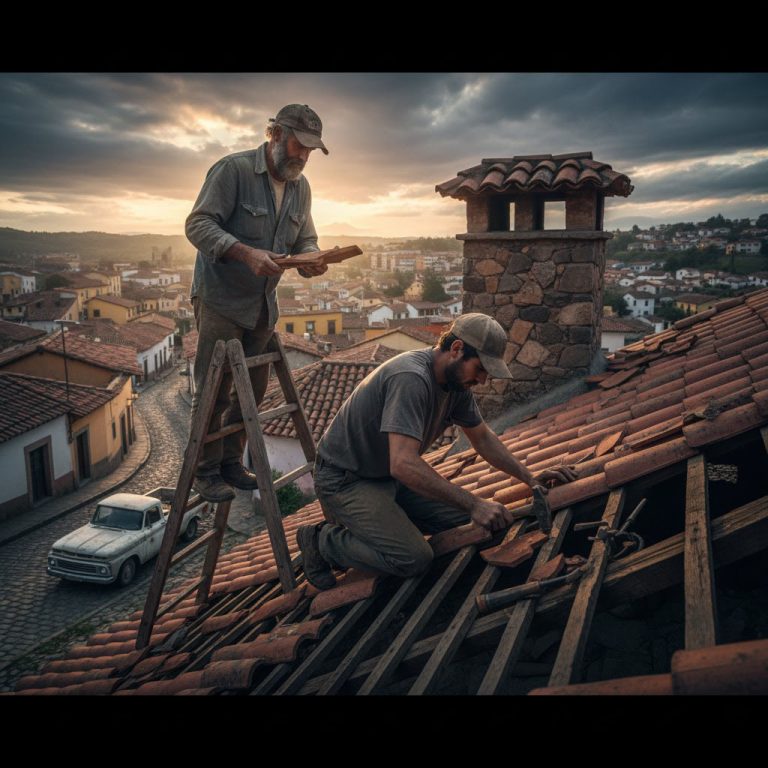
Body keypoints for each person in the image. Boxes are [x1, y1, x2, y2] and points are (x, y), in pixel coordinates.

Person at [297, 313, 578, 590]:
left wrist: (530, 479)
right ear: (456, 349)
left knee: (477, 526)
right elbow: (403, 463)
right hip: (347, 479)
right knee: (414, 557)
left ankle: (388, 524)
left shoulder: (456, 386)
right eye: (480, 368)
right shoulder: (411, 378)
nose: (482, 380)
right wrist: (474, 503)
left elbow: (482, 438)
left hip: (387, 476)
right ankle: (322, 542)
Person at [185, 104, 328, 503]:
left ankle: (230, 462)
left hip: (263, 305)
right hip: (221, 300)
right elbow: (197, 225)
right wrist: (245, 253)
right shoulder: (232, 170)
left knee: (252, 390)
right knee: (215, 390)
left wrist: (311, 259)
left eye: (311, 151)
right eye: (300, 146)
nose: (303, 157)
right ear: (276, 135)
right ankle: (204, 470)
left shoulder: (301, 187)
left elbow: (306, 238)